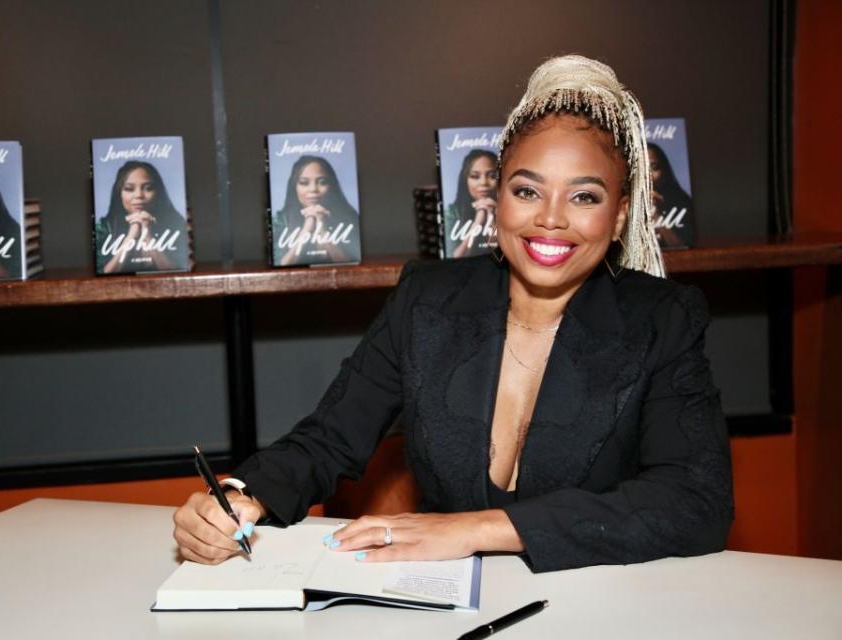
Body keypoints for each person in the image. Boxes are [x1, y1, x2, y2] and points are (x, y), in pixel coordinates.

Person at [174, 55, 733, 573]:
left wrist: (479, 530)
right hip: (444, 600)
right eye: (527, 191)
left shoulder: (663, 319)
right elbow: (327, 439)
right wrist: (241, 497)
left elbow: (694, 499)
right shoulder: (427, 300)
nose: (552, 219)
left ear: (619, 216)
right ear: (497, 200)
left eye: (584, 197)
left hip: (598, 603)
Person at [96, 161, 189, 273]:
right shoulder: (104, 227)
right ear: (119, 193)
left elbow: (178, 273)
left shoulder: (176, 223)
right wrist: (131, 235)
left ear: (158, 192)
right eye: (129, 189)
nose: (139, 195)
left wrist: (147, 234)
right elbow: (105, 274)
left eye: (148, 188)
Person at [273, 155, 361, 266]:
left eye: (322, 182)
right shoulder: (280, 220)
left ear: (332, 186)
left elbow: (351, 265)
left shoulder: (349, 217)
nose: (313, 189)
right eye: (304, 183)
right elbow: (281, 265)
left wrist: (322, 229)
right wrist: (307, 228)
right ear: (294, 187)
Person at [445, 149, 499, 258]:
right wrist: (478, 222)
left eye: (492, 176)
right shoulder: (452, 212)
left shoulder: (511, 210)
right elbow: (454, 259)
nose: (483, 182)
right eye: (475, 176)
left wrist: (490, 217)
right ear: (465, 180)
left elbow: (503, 258)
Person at [648, 142, 695, 248]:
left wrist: (655, 212)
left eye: (654, 168)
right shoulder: (624, 204)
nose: (647, 175)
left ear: (665, 170)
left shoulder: (682, 201)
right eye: (641, 169)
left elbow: (683, 247)